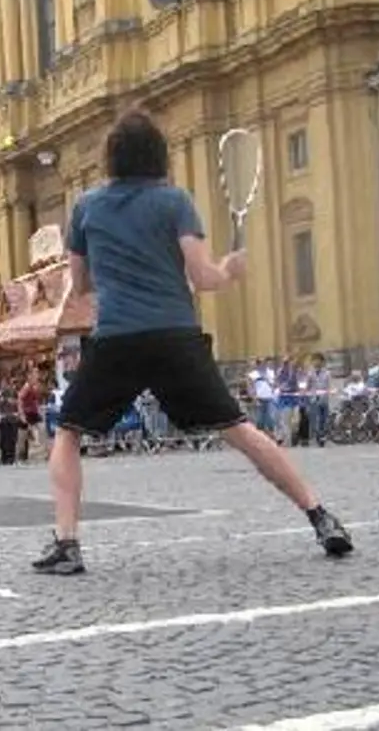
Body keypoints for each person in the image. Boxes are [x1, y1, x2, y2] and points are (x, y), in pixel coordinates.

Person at [33, 111, 351, 575]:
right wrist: (229, 270)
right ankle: (320, 517)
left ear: (111, 159)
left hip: (118, 336)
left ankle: (67, 543)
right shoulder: (174, 201)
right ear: (159, 155)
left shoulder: (86, 207)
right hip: (174, 334)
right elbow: (203, 277)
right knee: (240, 430)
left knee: (68, 433)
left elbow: (79, 286)